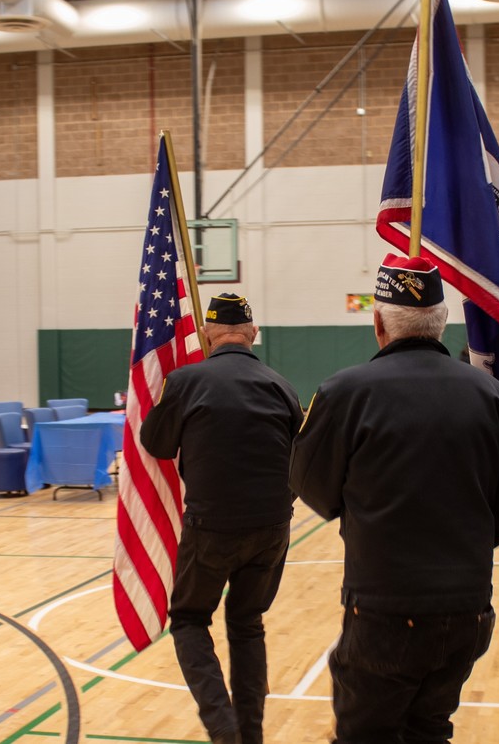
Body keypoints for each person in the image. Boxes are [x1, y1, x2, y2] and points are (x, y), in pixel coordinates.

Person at [289, 255, 499, 744]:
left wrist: (366, 514)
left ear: (378, 323)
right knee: (429, 731)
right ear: (442, 323)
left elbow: (310, 485)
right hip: (467, 609)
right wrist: (462, 543)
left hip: (383, 609)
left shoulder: (344, 393)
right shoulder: (491, 395)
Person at [140, 293, 303, 744]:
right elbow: (300, 457)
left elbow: (155, 443)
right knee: (247, 623)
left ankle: (225, 732)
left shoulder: (186, 381)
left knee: (190, 620)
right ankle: (249, 735)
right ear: (252, 333)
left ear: (208, 335)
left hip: (211, 526)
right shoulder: (281, 384)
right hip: (273, 526)